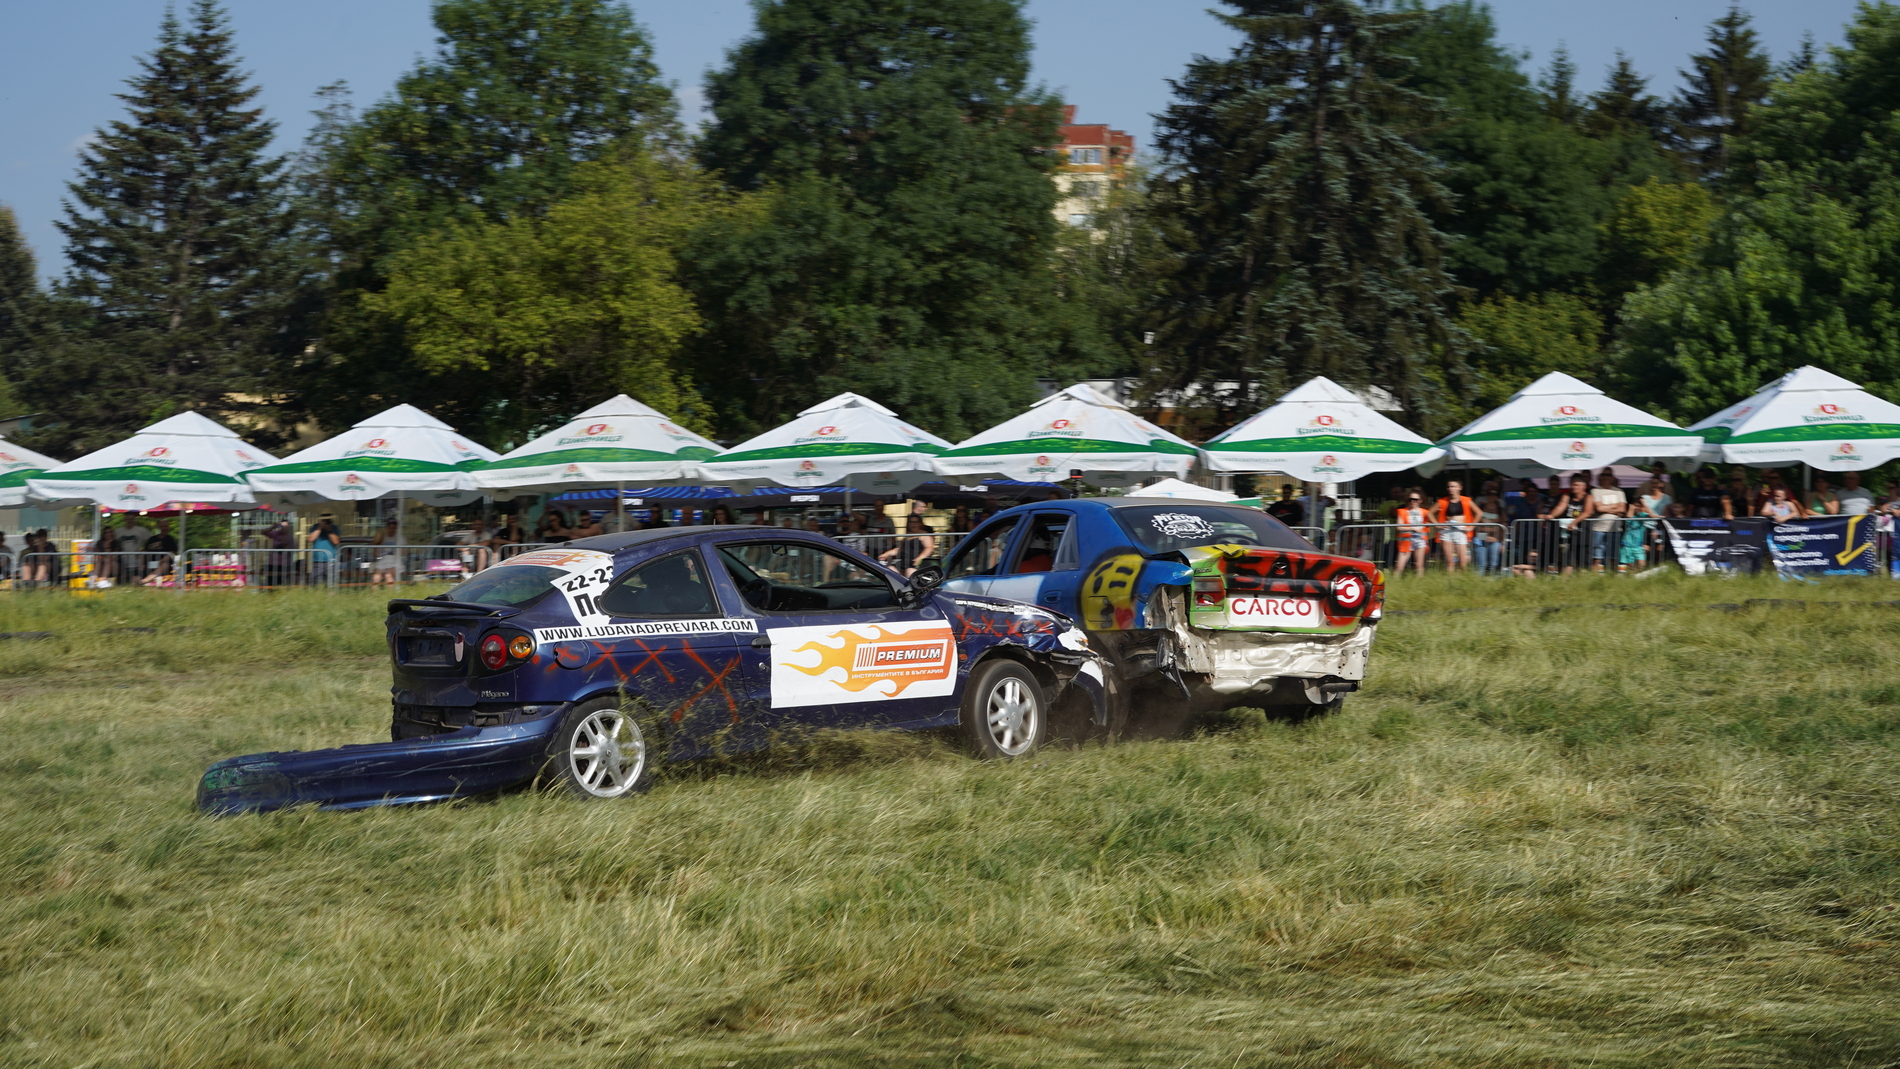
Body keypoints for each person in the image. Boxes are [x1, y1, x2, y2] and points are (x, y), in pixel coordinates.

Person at [1575, 470, 1629, 573]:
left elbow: (1623, 509)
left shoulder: (1619, 491)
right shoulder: (1595, 491)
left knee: (1614, 557)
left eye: (1608, 475)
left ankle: (1613, 577)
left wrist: (1606, 507)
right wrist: (1615, 507)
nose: (1606, 477)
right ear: (1600, 477)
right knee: (1596, 557)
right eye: (1604, 474)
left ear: (1612, 477)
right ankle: (1595, 577)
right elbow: (1599, 508)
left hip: (1615, 529)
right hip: (1598, 529)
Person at [1541, 477, 1590, 575]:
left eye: (1576, 485)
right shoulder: (1567, 496)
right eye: (1572, 484)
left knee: (1583, 562)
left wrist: (1574, 523)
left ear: (1583, 486)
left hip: (1583, 532)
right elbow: (1560, 507)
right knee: (1568, 560)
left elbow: (1587, 512)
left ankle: (1584, 583)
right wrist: (1551, 515)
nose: (1573, 487)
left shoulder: (1588, 497)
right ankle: (1564, 584)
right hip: (1568, 534)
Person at [1432, 479, 1479, 573]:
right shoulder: (1442, 501)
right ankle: (1449, 583)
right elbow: (1430, 513)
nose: (1450, 489)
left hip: (1460, 531)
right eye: (1448, 487)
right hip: (1447, 531)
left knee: (1463, 563)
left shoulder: (1467, 500)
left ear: (1459, 488)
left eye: (1453, 486)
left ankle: (1460, 581)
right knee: (1450, 562)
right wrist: (1437, 525)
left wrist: (1472, 526)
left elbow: (1479, 513)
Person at [1623, 478, 1670, 569]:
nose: (1654, 485)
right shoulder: (1644, 497)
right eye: (1652, 483)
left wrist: (1655, 517)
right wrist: (1647, 508)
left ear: (1661, 484)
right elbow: (1647, 513)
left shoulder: (1667, 498)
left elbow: (1664, 514)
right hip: (1646, 526)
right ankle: (1645, 568)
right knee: (1645, 549)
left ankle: (1656, 567)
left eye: (1656, 483)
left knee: (1659, 549)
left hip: (1660, 526)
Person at [1472, 483, 1504, 575]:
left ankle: (1492, 582)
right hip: (1481, 537)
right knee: (1481, 564)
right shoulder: (1481, 507)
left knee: (1493, 563)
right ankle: (1479, 583)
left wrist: (1503, 541)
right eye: (1490, 494)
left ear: (1497, 497)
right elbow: (1476, 522)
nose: (1492, 496)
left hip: (1496, 538)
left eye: (1495, 494)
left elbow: (1504, 524)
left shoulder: (1500, 509)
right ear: (1486, 495)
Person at [308, 514, 340, 586]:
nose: (326, 521)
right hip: (317, 561)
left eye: (328, 519)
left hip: (331, 561)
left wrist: (329, 530)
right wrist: (319, 528)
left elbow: (336, 541)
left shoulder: (334, 528)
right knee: (316, 583)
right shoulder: (315, 527)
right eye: (324, 520)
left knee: (331, 583)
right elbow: (311, 539)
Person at [371, 517, 402, 586]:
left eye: (394, 528)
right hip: (383, 560)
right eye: (390, 528)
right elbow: (374, 554)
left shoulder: (400, 538)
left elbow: (404, 552)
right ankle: (374, 595)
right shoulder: (381, 536)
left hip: (394, 560)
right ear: (387, 528)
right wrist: (375, 544)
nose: (392, 530)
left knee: (388, 576)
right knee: (376, 577)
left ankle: (390, 595)